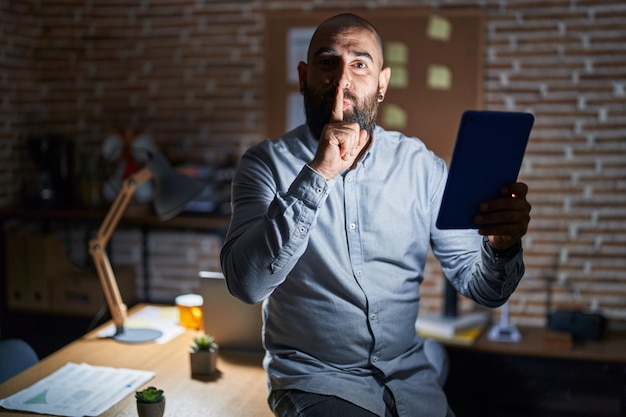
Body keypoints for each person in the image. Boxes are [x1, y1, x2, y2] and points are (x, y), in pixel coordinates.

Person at [220, 12, 531, 417]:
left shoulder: (422, 167)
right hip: (317, 383)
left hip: (410, 380)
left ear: (382, 83)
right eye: (327, 62)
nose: (342, 80)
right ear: (304, 75)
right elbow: (247, 284)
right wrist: (320, 172)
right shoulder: (264, 165)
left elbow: (486, 290)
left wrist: (502, 247)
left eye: (360, 65)